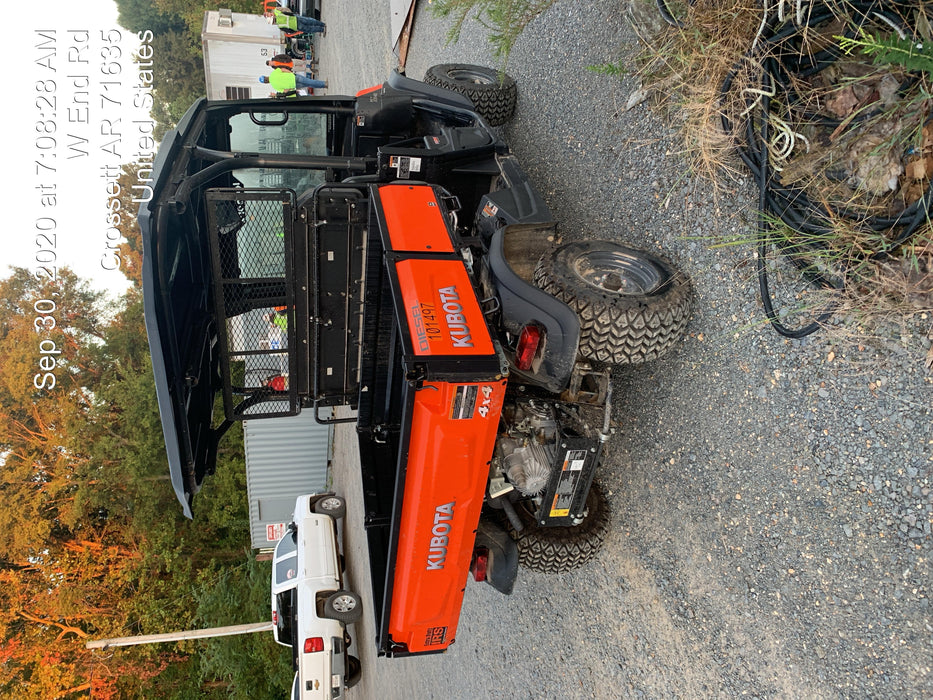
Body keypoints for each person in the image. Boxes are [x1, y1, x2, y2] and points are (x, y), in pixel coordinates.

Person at [260, 69, 327, 94]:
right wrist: (290, 72)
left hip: (294, 85)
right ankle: (324, 84)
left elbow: (285, 91)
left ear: (266, 83)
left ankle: (323, 86)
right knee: (309, 81)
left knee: (308, 84)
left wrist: (290, 88)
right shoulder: (273, 73)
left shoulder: (274, 86)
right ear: (266, 76)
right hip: (294, 77)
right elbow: (283, 69)